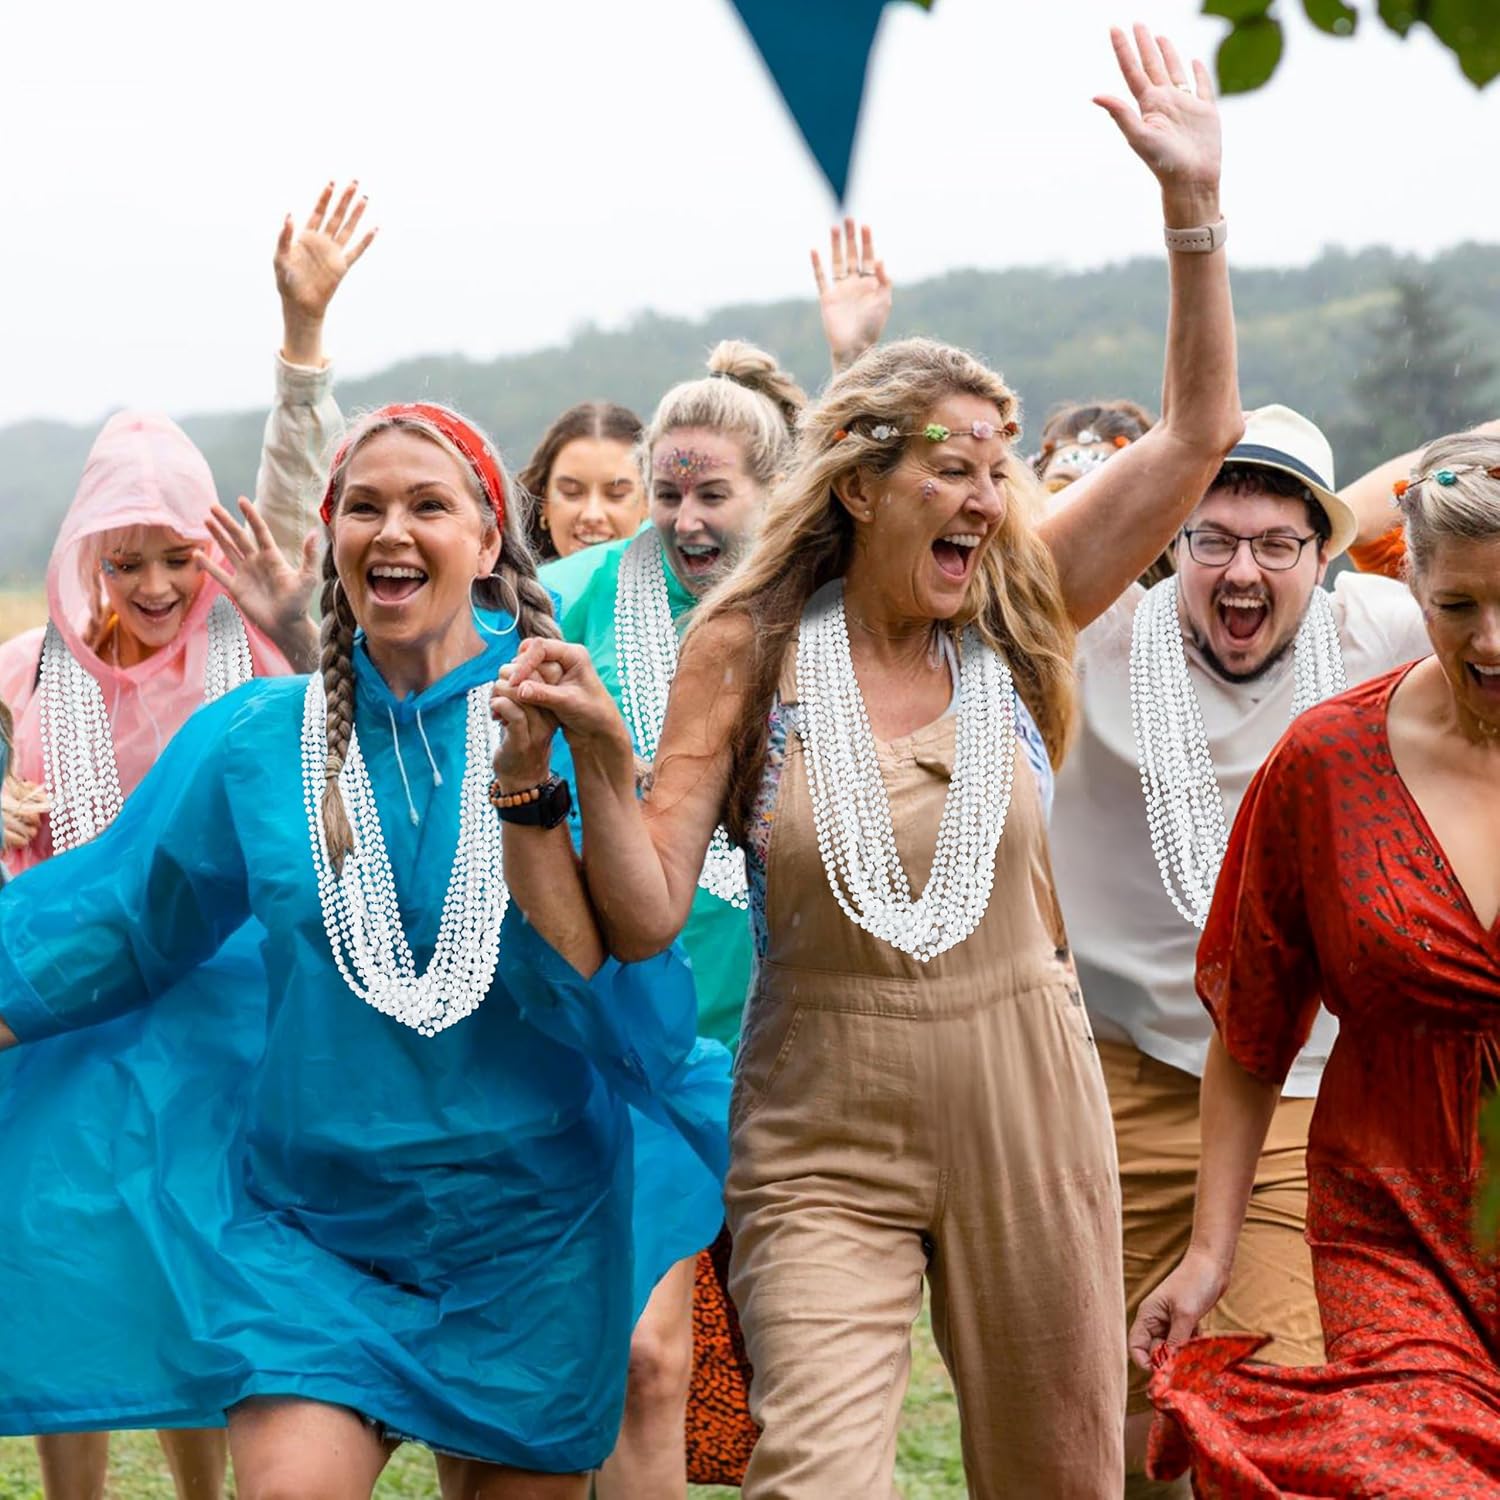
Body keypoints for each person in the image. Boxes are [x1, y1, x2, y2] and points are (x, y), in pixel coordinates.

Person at [498, 27, 1242, 1494]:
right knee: (815, 1476)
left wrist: (1191, 209)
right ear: (861, 483)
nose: (990, 498)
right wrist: (589, 756)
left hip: (1026, 1086)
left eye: (999, 468)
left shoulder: (1018, 604)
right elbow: (642, 916)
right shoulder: (746, 644)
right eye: (953, 469)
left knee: (1060, 1475)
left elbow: (1200, 432)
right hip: (818, 1107)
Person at [0, 401, 727, 1500]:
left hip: (530, 1237)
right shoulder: (256, 739)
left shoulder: (563, 711)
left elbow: (612, 958)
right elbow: (117, 924)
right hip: (310, 1235)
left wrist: (541, 777)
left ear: (486, 539)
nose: (393, 530)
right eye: (366, 507)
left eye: (428, 505)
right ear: (332, 536)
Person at [0, 180, 371, 1500]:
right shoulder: (27, 671)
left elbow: (291, 498)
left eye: (177, 557)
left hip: (227, 1019)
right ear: (87, 556)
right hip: (65, 1017)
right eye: (129, 559)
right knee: (70, 1265)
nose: (157, 585)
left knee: (203, 1275)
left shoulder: (251, 647)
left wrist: (302, 339)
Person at [1044, 398, 1438, 1497]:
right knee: (1111, 1430)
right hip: (1114, 1083)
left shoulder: (1382, 635)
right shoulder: (1092, 636)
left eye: (1276, 545)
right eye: (1212, 540)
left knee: (1274, 1412)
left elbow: (1463, 483)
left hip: (1299, 1091)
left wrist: (1355, 506)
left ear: (1326, 553)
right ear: (1168, 542)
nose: (1241, 572)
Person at [1134, 434, 1500, 1498]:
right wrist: (1210, 1255)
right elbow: (1253, 1033)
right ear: (1410, 588)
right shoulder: (1326, 762)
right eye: (1459, 605)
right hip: (1395, 1226)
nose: (1492, 640)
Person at [540, 338, 805, 1496]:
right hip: (626, 1046)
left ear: (776, 492)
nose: (686, 520)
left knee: (791, 1371)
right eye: (668, 495)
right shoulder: (573, 600)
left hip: (793, 1049)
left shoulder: (827, 608)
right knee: (646, 1358)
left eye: (714, 496)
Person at [519, 403, 647, 562]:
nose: (592, 515)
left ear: (648, 503)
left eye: (616, 494)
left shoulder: (673, 577)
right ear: (543, 501)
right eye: (571, 492)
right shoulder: (501, 576)